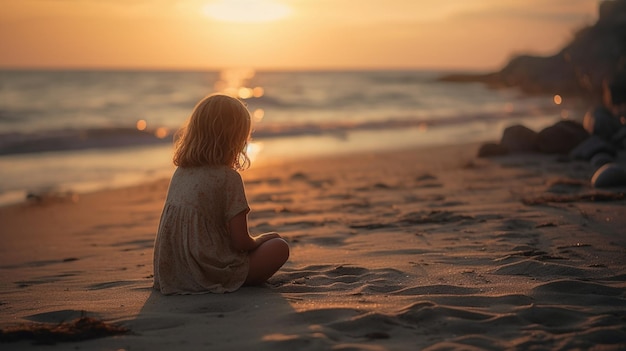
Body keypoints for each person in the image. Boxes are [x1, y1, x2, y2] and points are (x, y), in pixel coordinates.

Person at [153, 94, 289, 294]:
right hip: (208, 272)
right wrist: (261, 239)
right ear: (235, 139)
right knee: (279, 247)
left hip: (172, 273)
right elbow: (240, 241)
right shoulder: (228, 178)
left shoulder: (180, 172)